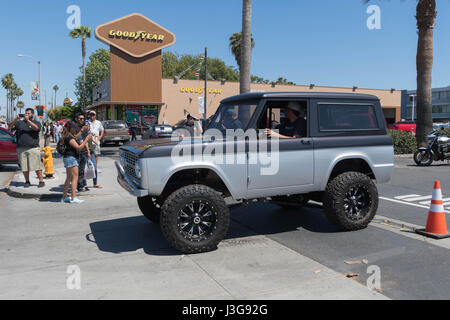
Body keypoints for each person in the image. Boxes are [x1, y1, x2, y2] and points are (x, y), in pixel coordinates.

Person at [8, 108, 45, 188]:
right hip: (21, 148)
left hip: (33, 148)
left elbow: (36, 128)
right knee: (24, 167)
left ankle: (41, 181)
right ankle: (27, 181)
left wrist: (28, 121)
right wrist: (15, 119)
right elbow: (10, 127)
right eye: (26, 113)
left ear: (32, 114)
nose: (27, 115)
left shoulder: (36, 122)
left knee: (36, 166)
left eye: (29, 113)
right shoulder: (19, 123)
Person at [59, 121, 92, 204]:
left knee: (69, 178)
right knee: (74, 178)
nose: (75, 129)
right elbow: (79, 147)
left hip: (68, 158)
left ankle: (64, 197)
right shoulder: (69, 138)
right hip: (71, 158)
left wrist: (81, 132)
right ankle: (73, 198)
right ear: (70, 128)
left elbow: (76, 137)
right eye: (74, 128)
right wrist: (86, 139)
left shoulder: (67, 136)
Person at [74, 113, 91, 192]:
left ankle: (80, 186)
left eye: (83, 119)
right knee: (76, 170)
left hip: (83, 151)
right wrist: (81, 130)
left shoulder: (84, 128)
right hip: (76, 152)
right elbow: (75, 137)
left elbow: (86, 141)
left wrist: (88, 151)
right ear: (76, 119)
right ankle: (76, 185)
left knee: (82, 170)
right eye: (80, 119)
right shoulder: (74, 127)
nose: (82, 120)